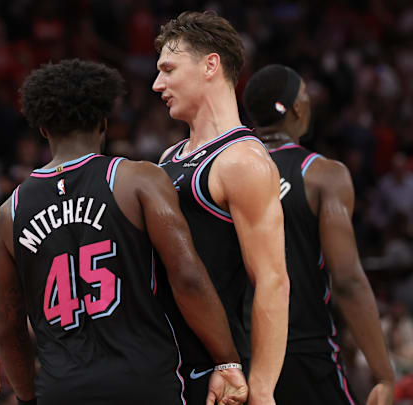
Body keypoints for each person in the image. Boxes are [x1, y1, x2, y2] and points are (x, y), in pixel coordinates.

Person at [0, 58, 248, 405]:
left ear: (43, 129)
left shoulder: (10, 213)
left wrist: (26, 396)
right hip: (144, 381)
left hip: (61, 389)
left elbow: (6, 325)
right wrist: (226, 359)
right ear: (104, 122)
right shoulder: (138, 180)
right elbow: (187, 277)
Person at [152, 11, 289, 405]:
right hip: (167, 363)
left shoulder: (242, 160)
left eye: (168, 69)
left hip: (216, 373)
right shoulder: (169, 156)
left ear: (210, 65)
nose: (158, 83)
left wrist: (262, 389)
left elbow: (273, 282)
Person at [242, 64, 395, 405]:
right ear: (298, 108)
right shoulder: (322, 175)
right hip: (301, 349)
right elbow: (347, 281)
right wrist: (384, 374)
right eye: (306, 96)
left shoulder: (222, 173)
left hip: (237, 356)